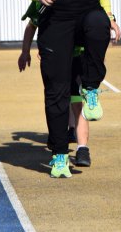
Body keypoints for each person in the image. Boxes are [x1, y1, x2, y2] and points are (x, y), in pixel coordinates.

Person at [19, 0, 121, 178]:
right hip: (56, 24)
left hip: (87, 15)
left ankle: (90, 87)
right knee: (57, 92)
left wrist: (111, 16)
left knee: (99, 24)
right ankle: (61, 155)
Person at [18, 12, 93, 167]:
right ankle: (59, 141)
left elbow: (95, 28)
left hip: (78, 58)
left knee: (78, 103)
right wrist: (26, 51)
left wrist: (96, 55)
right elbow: (32, 25)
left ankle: (82, 149)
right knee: (58, 102)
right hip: (55, 58)